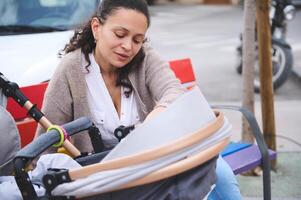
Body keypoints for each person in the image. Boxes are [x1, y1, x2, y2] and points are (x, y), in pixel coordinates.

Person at [36, 0, 241, 199]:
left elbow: (174, 90)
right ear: (97, 27)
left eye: (137, 39)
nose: (128, 47)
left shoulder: (144, 58)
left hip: (153, 162)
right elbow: (46, 140)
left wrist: (156, 117)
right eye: (120, 34)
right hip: (106, 177)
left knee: (217, 169)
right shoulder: (71, 70)